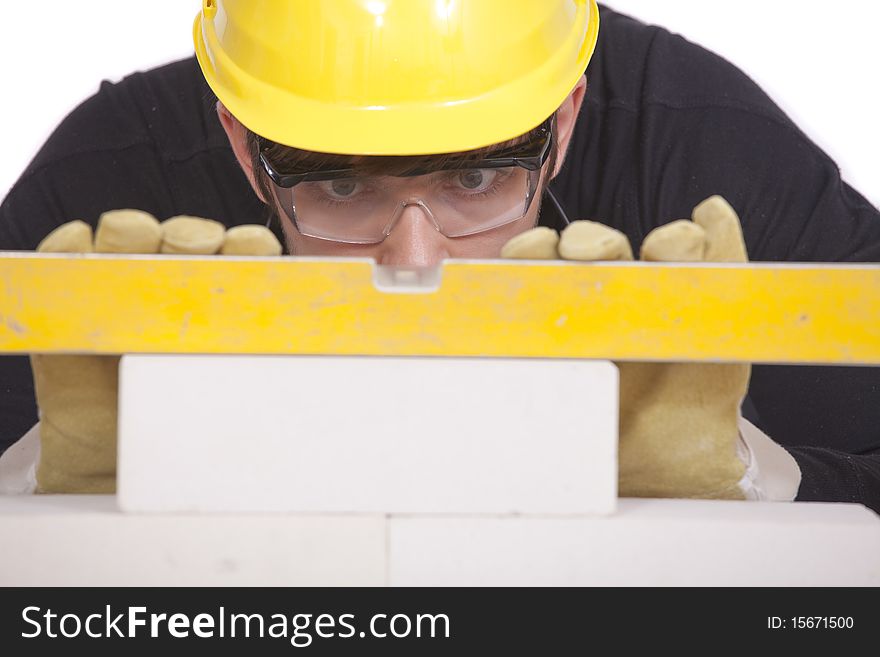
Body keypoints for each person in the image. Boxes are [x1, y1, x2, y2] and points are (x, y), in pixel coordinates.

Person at [0, 2, 878, 509]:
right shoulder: (103, 186)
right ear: (240, 141)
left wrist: (752, 477)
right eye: (343, 190)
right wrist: (52, 486)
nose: (414, 261)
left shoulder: (704, 153)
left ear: (563, 119)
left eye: (477, 179)